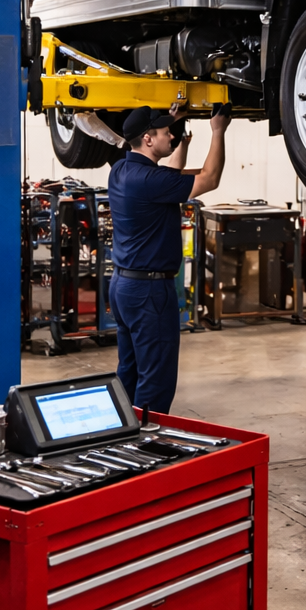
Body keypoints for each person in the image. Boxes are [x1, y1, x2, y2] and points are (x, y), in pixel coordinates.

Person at [108, 103, 230, 413]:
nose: (171, 135)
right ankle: (146, 446)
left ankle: (124, 437)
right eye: (166, 133)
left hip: (123, 288)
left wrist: (177, 130)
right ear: (148, 139)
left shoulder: (122, 170)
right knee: (156, 381)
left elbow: (169, 174)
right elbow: (210, 178)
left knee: (130, 372)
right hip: (149, 294)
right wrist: (218, 131)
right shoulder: (150, 182)